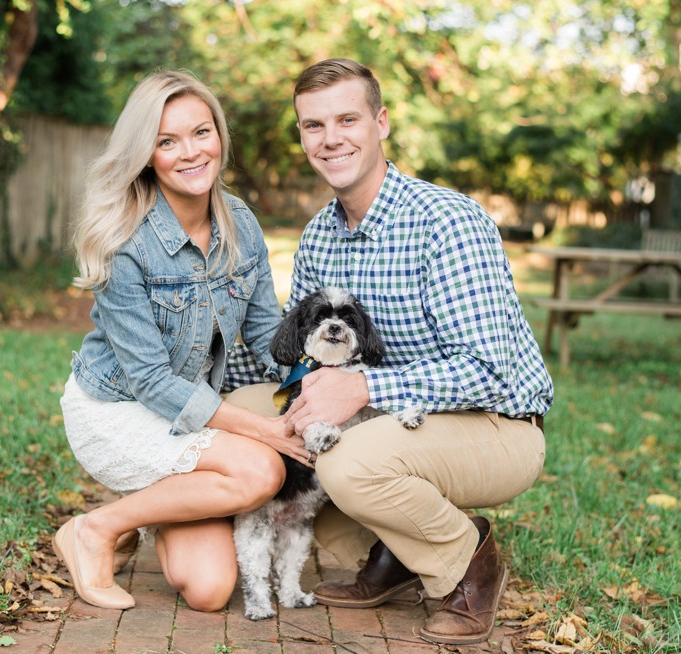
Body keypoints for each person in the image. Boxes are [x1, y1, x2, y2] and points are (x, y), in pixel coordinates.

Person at [225, 58, 554, 645]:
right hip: (395, 417)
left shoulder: (446, 223)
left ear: (381, 122)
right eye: (312, 126)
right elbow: (296, 356)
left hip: (497, 424)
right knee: (249, 417)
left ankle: (466, 563)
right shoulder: (319, 235)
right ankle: (396, 552)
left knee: (347, 459)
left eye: (347, 119)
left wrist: (366, 387)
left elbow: (488, 372)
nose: (330, 139)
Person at [55, 70, 311, 613]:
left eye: (201, 133)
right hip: (117, 409)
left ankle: (145, 511)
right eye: (166, 141)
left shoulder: (240, 221)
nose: (190, 153)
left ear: (219, 135)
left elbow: (268, 335)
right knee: (261, 469)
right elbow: (150, 381)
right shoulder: (127, 239)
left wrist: (312, 387)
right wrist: (265, 430)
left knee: (211, 590)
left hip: (182, 413)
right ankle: (94, 530)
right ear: (146, 154)